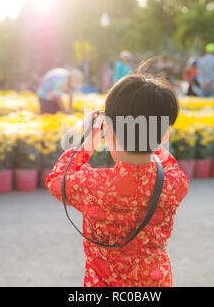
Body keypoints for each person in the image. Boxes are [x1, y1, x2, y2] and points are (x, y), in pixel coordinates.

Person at [46, 68, 189, 287]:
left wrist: (88, 142)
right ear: (164, 134)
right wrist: (149, 133)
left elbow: (57, 179)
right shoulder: (175, 182)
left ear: (108, 131)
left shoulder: (93, 186)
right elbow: (162, 155)